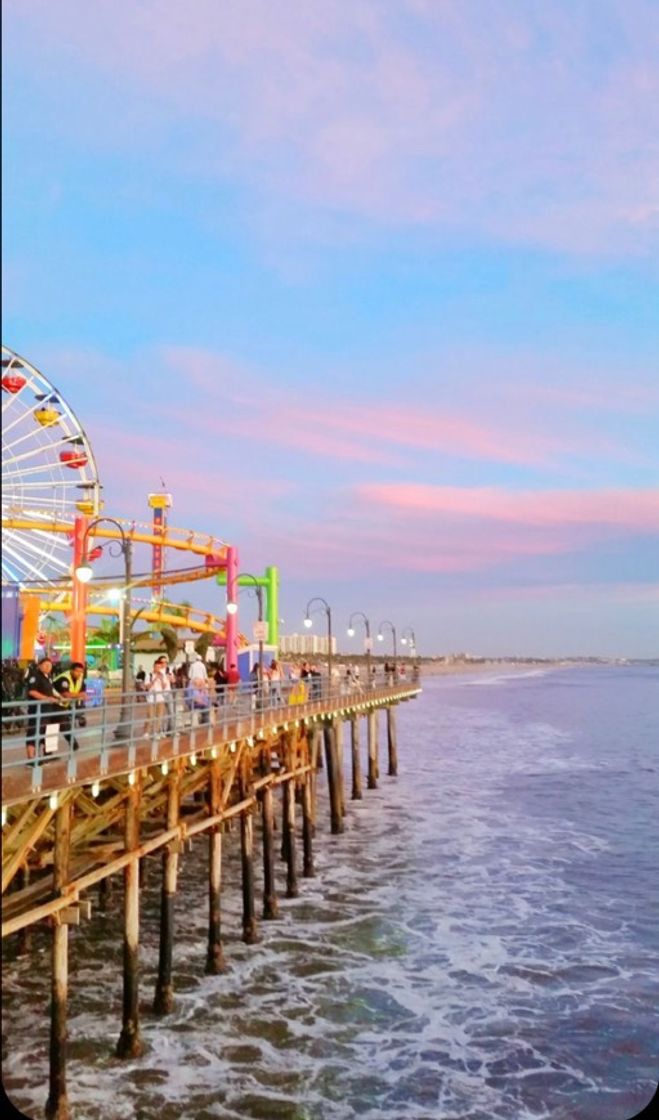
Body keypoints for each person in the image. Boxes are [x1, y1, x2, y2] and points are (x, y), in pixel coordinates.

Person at [25, 657, 63, 762]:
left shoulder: (48, 676)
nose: (48, 667)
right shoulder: (35, 676)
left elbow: (51, 689)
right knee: (34, 733)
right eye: (46, 665)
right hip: (37, 710)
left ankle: (47, 755)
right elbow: (32, 692)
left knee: (48, 731)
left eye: (50, 665)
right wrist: (47, 698)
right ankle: (31, 759)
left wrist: (59, 696)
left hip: (48, 710)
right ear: (39, 666)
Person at [52, 661, 88, 751]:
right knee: (62, 725)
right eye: (77, 671)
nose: (79, 673)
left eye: (81, 671)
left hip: (64, 705)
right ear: (71, 670)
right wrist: (78, 695)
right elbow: (66, 694)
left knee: (55, 728)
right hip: (54, 705)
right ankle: (73, 743)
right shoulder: (64, 678)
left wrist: (79, 695)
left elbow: (83, 691)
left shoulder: (80, 678)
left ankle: (48, 753)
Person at [145, 656, 172, 738]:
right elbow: (147, 687)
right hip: (151, 698)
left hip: (160, 698)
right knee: (150, 716)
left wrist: (162, 679)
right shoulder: (149, 675)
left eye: (160, 667)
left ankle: (156, 732)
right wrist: (154, 679)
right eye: (157, 667)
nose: (158, 669)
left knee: (159, 716)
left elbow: (164, 687)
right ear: (154, 667)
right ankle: (147, 732)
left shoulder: (162, 675)